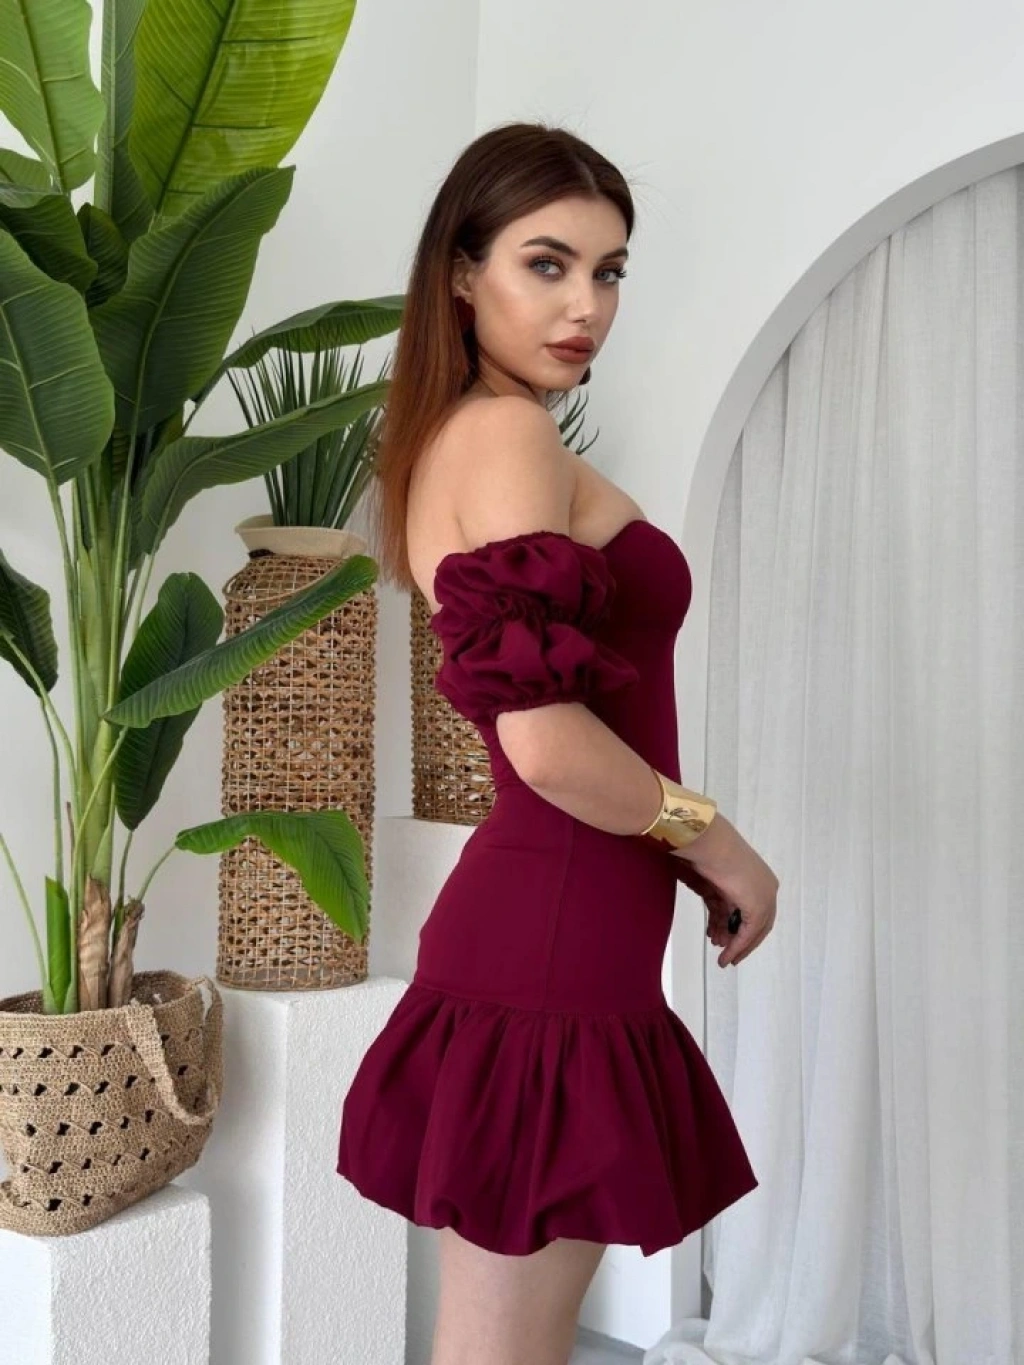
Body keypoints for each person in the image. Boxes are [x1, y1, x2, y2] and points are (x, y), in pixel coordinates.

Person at [337, 121, 779, 1365]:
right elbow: (542, 745)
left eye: (609, 271)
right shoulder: (507, 436)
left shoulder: (478, 433)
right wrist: (717, 841)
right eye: (547, 264)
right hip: (550, 944)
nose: (587, 305)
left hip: (560, 934)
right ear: (460, 273)